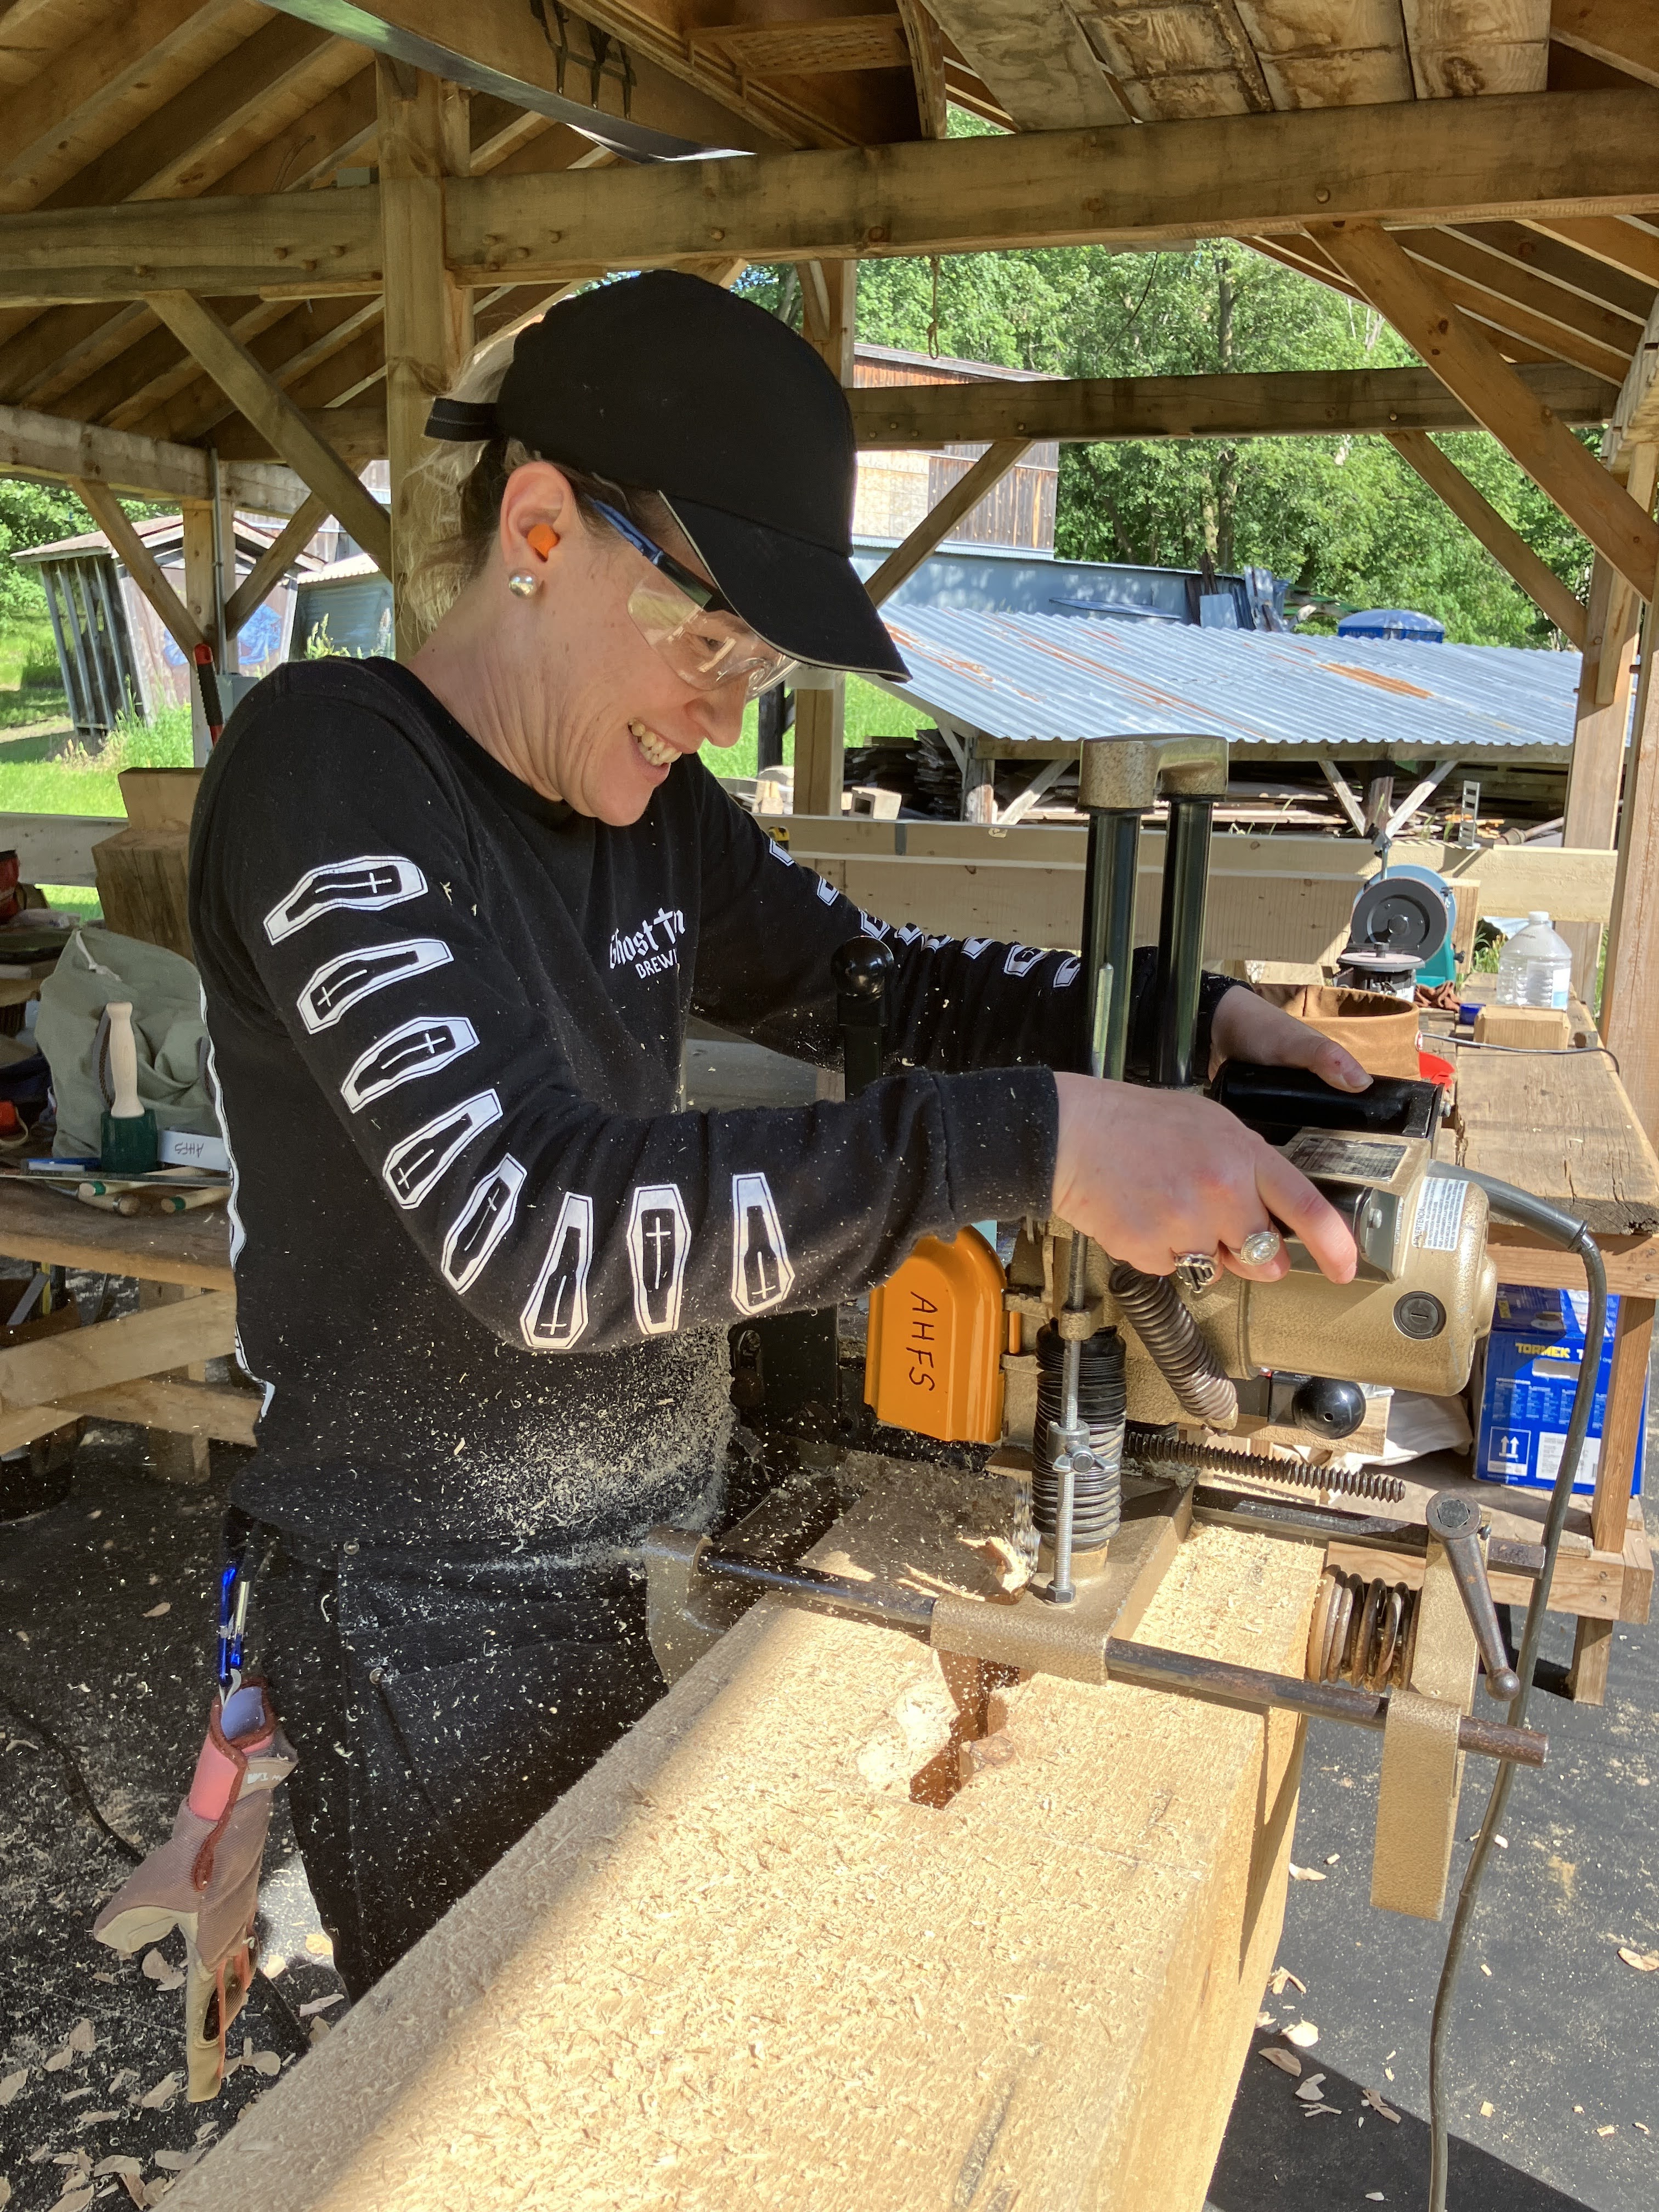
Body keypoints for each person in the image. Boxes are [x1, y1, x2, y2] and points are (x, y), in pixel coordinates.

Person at [188, 272, 1365, 1996]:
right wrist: (1030, 1141)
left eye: (756, 660)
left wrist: (1174, 1021)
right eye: (709, 640)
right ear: (538, 531)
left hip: (653, 1543)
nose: (725, 708)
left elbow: (880, 985)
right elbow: (538, 1233)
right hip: (424, 1606)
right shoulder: (332, 772)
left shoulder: (650, 813)